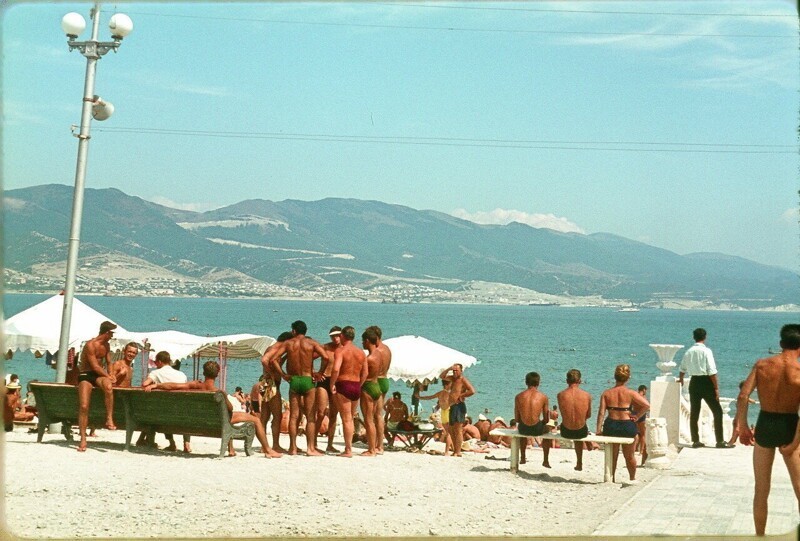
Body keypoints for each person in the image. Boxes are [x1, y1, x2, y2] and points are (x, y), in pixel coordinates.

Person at [737, 327, 800, 536]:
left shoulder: (762, 365)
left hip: (765, 423)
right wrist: (794, 443)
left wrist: (742, 426)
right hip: (790, 426)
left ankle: (760, 536)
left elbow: (743, 396)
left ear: (781, 344)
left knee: (761, 489)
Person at [148, 360, 281, 458]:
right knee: (256, 420)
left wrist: (156, 385)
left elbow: (173, 386)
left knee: (227, 415)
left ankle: (232, 449)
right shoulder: (219, 392)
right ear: (217, 374)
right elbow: (229, 409)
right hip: (219, 420)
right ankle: (267, 449)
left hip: (198, 419)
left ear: (203, 373)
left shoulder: (195, 385)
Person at [261, 321, 330, 456]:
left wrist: (283, 375)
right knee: (310, 417)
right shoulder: (312, 343)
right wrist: (320, 372)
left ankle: (292, 448)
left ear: (293, 331)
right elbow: (326, 357)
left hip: (294, 381)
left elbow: (274, 359)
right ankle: (310, 448)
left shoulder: (288, 344)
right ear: (305, 331)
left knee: (293, 416)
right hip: (307, 380)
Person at [679, 328, 731, 449]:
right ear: (705, 337)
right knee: (717, 411)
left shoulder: (689, 351)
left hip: (694, 382)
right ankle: (720, 440)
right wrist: (716, 388)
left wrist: (681, 379)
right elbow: (712, 371)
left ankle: (695, 440)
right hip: (706, 382)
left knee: (694, 412)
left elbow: (682, 369)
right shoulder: (706, 351)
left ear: (694, 337)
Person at [596, 364, 650, 483]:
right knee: (629, 455)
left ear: (615, 377)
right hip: (627, 424)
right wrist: (636, 416)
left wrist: (598, 429)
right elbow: (646, 405)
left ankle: (612, 478)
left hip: (611, 424)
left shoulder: (607, 393)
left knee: (612, 455)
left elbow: (601, 413)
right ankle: (632, 478)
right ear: (627, 378)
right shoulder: (630, 393)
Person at [76, 321, 118, 452]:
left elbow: (109, 362)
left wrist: (110, 374)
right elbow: (94, 366)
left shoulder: (106, 345)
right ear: (106, 332)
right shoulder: (90, 345)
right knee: (84, 406)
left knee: (108, 387)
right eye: (111, 333)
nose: (112, 336)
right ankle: (83, 439)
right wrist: (108, 375)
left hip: (99, 375)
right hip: (86, 374)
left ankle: (109, 418)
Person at [141, 351, 191, 452]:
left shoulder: (155, 373)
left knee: (162, 409)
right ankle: (187, 443)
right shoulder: (182, 375)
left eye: (155, 362)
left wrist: (153, 384)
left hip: (165, 413)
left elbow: (145, 384)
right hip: (182, 411)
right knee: (176, 408)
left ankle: (172, 443)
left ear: (159, 362)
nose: (155, 364)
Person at [330, 326, 367, 457]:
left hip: (344, 384)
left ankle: (348, 450)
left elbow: (335, 369)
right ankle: (348, 448)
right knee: (350, 418)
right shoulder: (361, 352)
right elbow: (365, 372)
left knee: (346, 419)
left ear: (342, 336)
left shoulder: (340, 351)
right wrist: (359, 385)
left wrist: (332, 383)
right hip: (356, 385)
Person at [557, 368, 596, 471]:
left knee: (572, 424)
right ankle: (579, 462)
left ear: (567, 381)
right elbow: (589, 415)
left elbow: (563, 413)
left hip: (566, 431)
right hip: (581, 431)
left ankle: (580, 461)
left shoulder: (560, 395)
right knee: (581, 426)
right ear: (580, 381)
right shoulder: (587, 395)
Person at [261, 331, 292, 453]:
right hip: (271, 384)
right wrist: (273, 373)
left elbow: (274, 361)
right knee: (277, 415)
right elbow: (264, 360)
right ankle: (275, 445)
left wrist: (284, 357)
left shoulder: (273, 348)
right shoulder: (276, 348)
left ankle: (265, 445)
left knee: (265, 415)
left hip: (266, 383)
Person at [514, 372, 553, 467]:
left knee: (522, 430)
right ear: (538, 383)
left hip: (523, 428)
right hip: (537, 428)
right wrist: (541, 423)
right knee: (549, 431)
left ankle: (523, 457)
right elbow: (546, 419)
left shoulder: (518, 396)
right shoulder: (543, 397)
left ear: (526, 382)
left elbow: (517, 419)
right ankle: (545, 460)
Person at [314, 326, 342, 453]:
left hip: (337, 382)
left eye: (337, 335)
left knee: (333, 414)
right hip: (324, 381)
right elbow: (307, 357)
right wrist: (313, 372)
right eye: (333, 336)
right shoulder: (325, 347)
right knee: (320, 413)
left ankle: (329, 444)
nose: (335, 338)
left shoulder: (344, 349)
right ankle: (313, 442)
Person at [439, 363, 475, 458]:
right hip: (452, 406)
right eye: (454, 370)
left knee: (458, 429)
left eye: (456, 370)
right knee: (452, 429)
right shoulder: (452, 379)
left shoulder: (463, 380)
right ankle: (455, 450)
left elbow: (472, 391)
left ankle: (458, 451)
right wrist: (449, 368)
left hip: (459, 406)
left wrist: (461, 396)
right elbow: (441, 376)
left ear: (461, 371)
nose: (455, 372)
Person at [360, 327, 385, 456]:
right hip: (377, 386)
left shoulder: (368, 358)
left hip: (368, 386)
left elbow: (364, 375)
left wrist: (358, 386)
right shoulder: (380, 354)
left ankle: (371, 450)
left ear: (368, 340)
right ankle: (374, 447)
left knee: (368, 420)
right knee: (375, 418)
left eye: (363, 341)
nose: (362, 343)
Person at [368, 325, 392, 454]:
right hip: (385, 379)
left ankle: (379, 445)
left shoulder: (377, 351)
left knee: (375, 415)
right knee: (379, 414)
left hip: (377, 381)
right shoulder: (387, 349)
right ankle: (379, 444)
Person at [415, 379, 453, 455]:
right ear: (447, 385)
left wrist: (420, 397)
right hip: (446, 411)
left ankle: (450, 450)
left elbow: (430, 397)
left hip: (444, 411)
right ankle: (447, 451)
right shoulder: (448, 394)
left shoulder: (441, 393)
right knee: (448, 433)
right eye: (450, 384)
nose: (451, 386)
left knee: (448, 432)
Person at [633, 384, 648, 465]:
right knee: (643, 434)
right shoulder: (643, 398)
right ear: (644, 390)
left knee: (636, 433)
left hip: (635, 413)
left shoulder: (635, 395)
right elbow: (647, 407)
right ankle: (641, 451)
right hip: (641, 415)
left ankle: (635, 449)